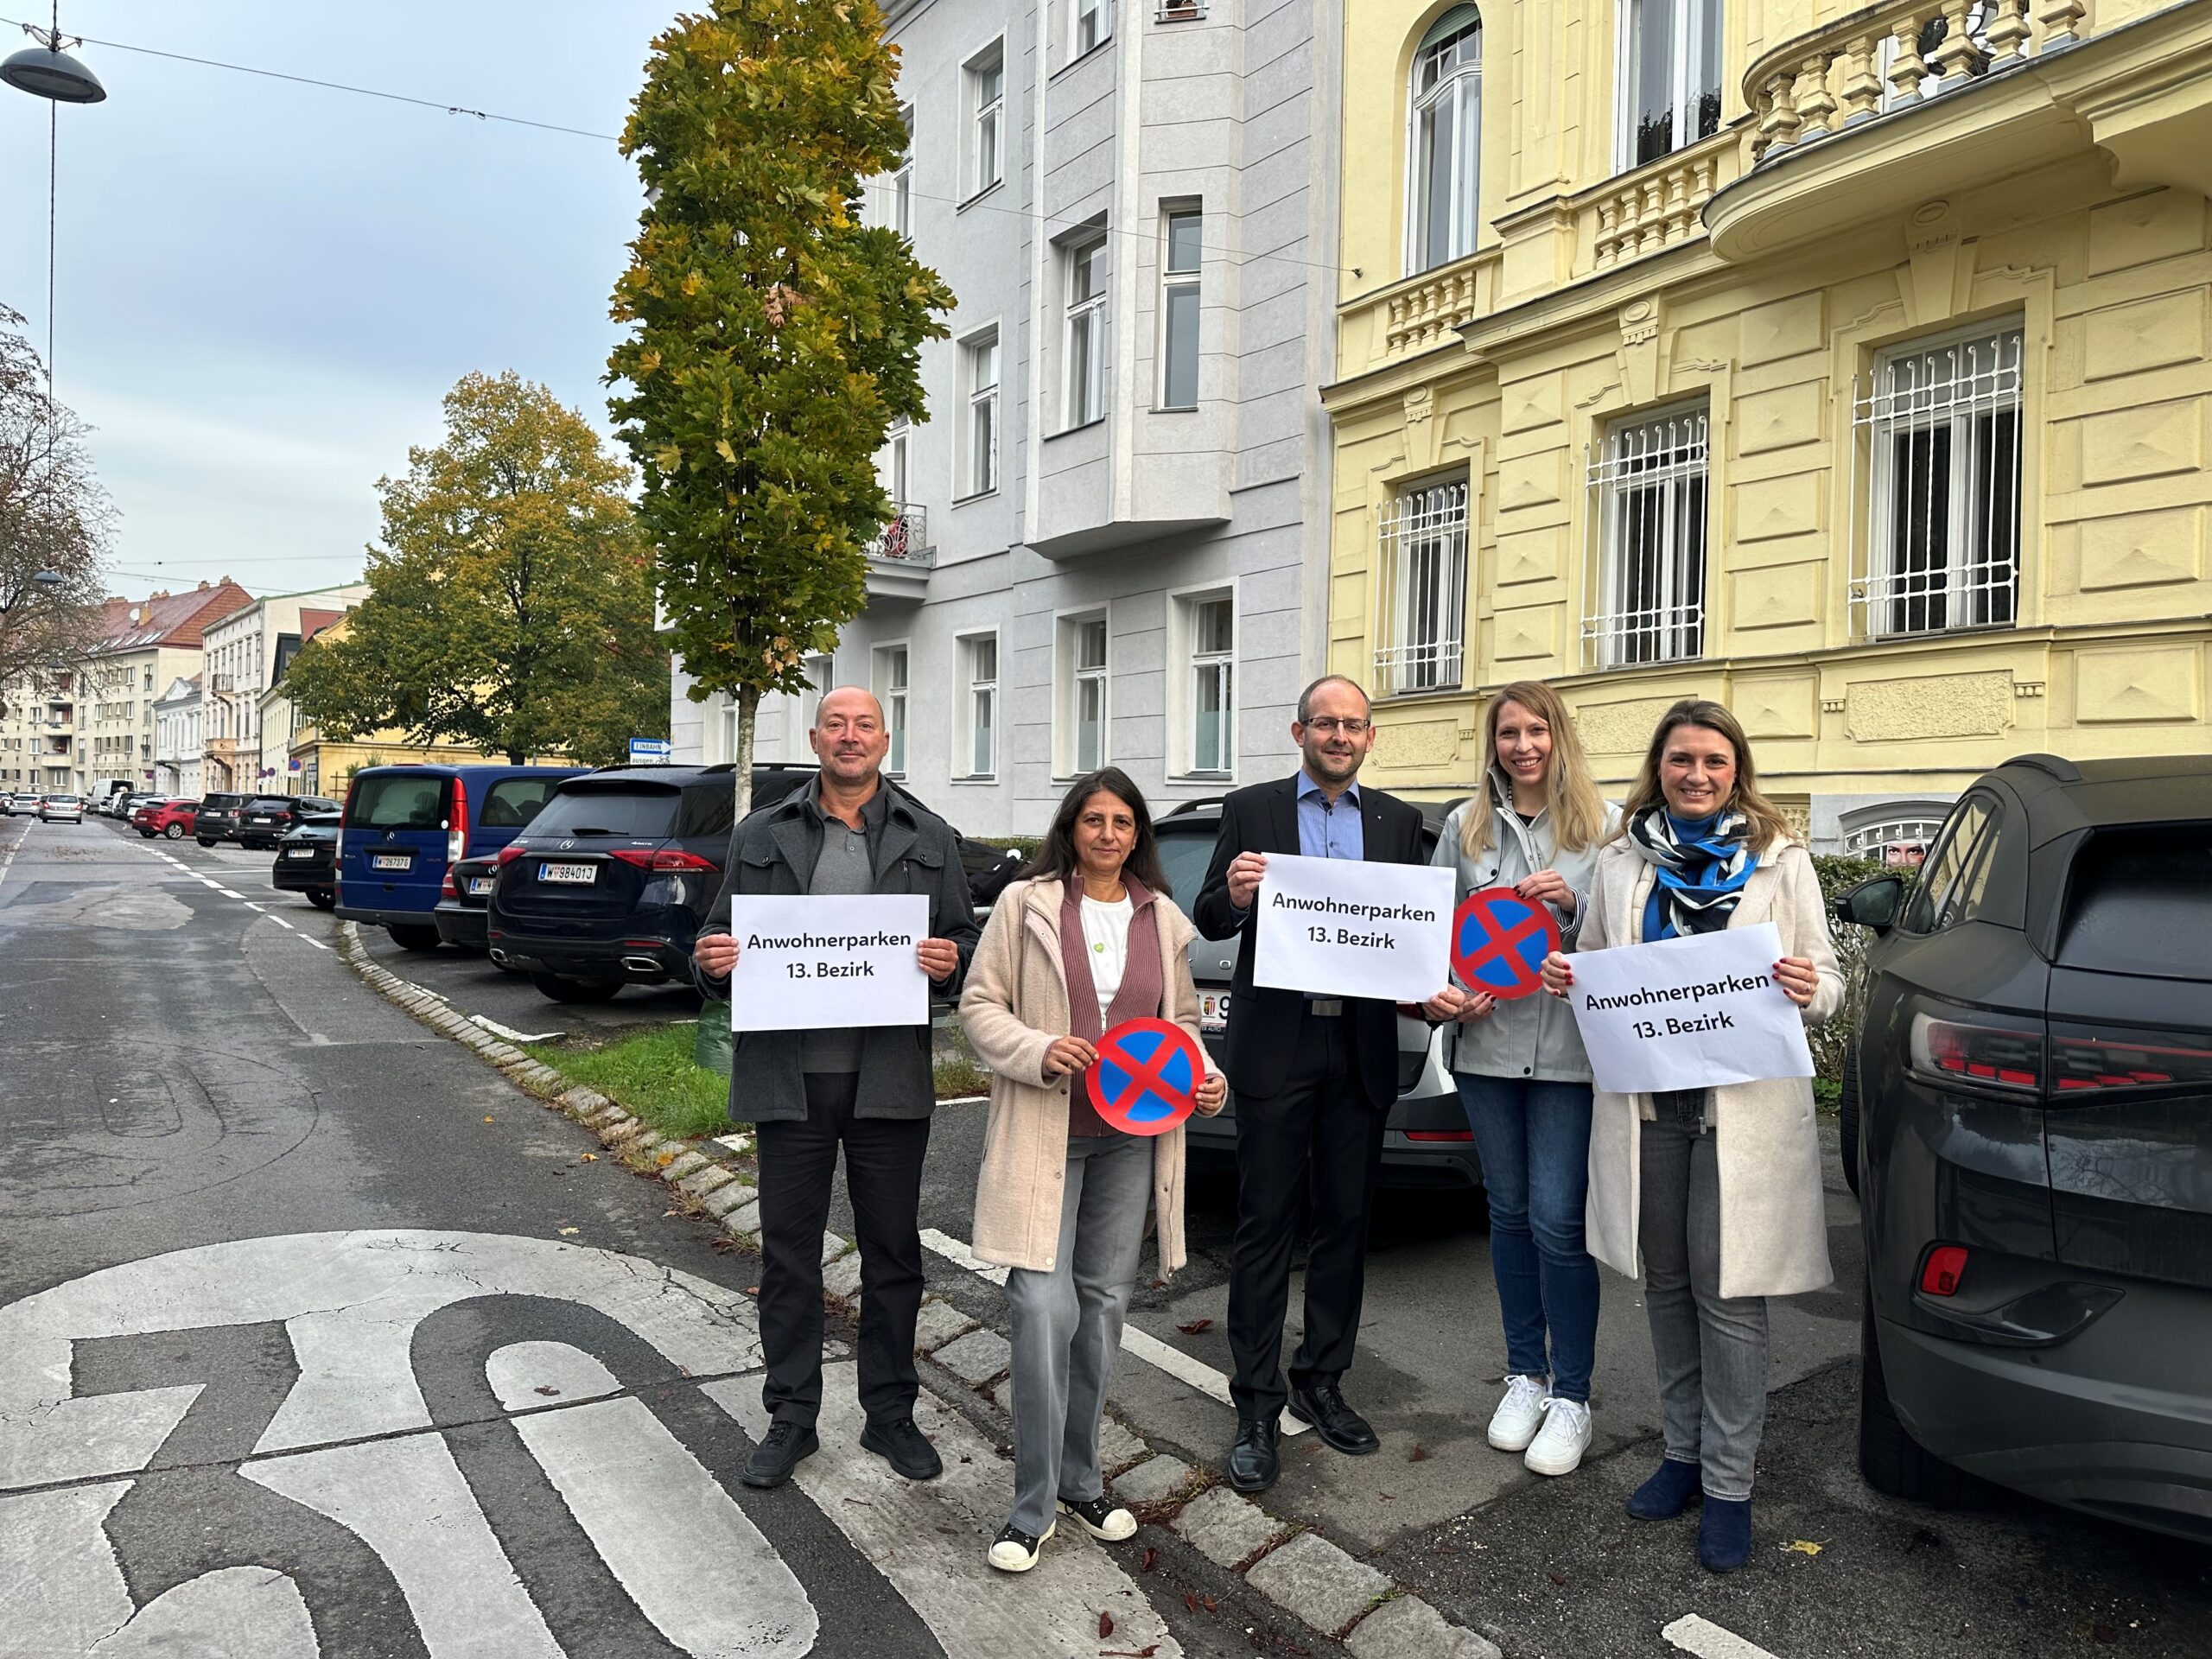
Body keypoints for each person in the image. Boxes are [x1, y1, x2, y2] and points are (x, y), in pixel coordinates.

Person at [1539, 698, 1841, 1573]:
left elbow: (1829, 981)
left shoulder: (1780, 861)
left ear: (1735, 769)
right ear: (1659, 768)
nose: (1696, 774)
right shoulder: (1620, 859)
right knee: (1667, 1284)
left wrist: (1803, 987)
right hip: (1649, 1113)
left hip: (1737, 1115)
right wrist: (1567, 974)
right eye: (1681, 760)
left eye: (1713, 760)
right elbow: (1594, 959)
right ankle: (1679, 1454)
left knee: (1730, 1297)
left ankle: (1730, 1485)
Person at [692, 686, 980, 1491]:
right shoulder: (762, 833)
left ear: (884, 739)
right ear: (816, 738)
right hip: (789, 1079)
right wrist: (712, 960)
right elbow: (714, 935)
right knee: (789, 1255)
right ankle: (792, 1414)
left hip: (888, 1080)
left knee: (893, 1254)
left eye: (865, 726)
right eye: (837, 726)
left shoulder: (929, 836)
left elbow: (962, 938)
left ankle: (890, 1413)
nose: (850, 738)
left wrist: (950, 963)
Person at [959, 768, 1227, 1573]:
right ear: (1071, 829)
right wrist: (1039, 1050)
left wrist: (1205, 1076)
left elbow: (1179, 1024)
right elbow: (979, 1005)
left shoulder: (1163, 918)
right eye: (1093, 820)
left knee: (1104, 1305)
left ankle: (1083, 1480)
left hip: (1128, 1139)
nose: (1108, 834)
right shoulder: (1027, 905)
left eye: (1122, 822)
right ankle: (1030, 1506)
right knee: (1042, 1307)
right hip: (1047, 1131)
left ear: (1138, 834)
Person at [1193, 674, 1431, 1494]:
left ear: (1370, 738)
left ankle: (1321, 1379)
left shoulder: (1398, 822)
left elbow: (1413, 932)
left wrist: (1432, 980)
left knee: (1345, 1224)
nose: (1339, 736)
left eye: (1353, 725)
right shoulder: (1253, 809)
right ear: (1299, 733)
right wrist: (1232, 893)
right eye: (1324, 723)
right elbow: (1209, 915)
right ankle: (1255, 1402)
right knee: (1265, 1225)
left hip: (1359, 1046)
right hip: (1277, 1045)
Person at [1422, 681, 1618, 1478]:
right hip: (1489, 1051)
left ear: (1558, 737)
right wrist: (1442, 993)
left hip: (1571, 1058)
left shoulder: (1604, 830)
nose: (1524, 745)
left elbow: (1622, 946)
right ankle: (1524, 1376)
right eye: (1509, 732)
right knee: (1506, 1216)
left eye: (1537, 730)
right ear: (1493, 743)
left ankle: (1572, 1394)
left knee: (1557, 1223)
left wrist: (1571, 909)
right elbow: (1430, 936)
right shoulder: (1463, 830)